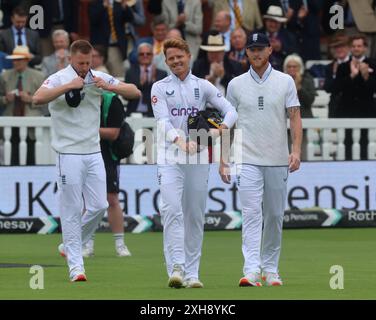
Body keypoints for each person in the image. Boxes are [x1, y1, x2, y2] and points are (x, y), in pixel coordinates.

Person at [32, 40, 141, 282]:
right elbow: (37, 98)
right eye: (80, 63)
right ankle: (76, 267)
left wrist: (110, 87)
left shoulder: (97, 77)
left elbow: (135, 91)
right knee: (70, 210)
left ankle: (69, 244)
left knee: (99, 206)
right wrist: (69, 85)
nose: (84, 67)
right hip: (68, 152)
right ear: (71, 59)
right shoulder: (60, 77)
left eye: (87, 62)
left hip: (93, 152)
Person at [151, 37, 237, 288]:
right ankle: (176, 268)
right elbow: (162, 121)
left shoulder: (203, 86)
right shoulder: (159, 87)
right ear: (166, 61)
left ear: (188, 56)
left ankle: (192, 273)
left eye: (180, 56)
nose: (176, 61)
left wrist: (221, 129)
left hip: (199, 156)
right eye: (171, 58)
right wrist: (179, 141)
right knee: (171, 210)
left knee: (195, 215)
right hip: (170, 155)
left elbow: (231, 111)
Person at [224, 32, 302, 287]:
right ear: (246, 52)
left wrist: (296, 151)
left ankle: (271, 269)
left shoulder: (285, 81)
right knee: (251, 214)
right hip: (246, 158)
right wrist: (224, 158)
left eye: (260, 48)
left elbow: (294, 117)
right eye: (251, 49)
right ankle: (252, 270)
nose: (256, 53)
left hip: (278, 158)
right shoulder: (235, 84)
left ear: (270, 50)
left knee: (275, 215)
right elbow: (228, 123)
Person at [83, 91, 131, 258]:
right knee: (87, 200)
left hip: (107, 155)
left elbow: (113, 133)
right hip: (85, 152)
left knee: (112, 199)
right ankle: (87, 244)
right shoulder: (80, 98)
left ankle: (120, 244)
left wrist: (87, 130)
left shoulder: (112, 101)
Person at [332, 34, 376, 160]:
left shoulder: (373, 64)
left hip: (367, 112)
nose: (356, 48)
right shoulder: (343, 66)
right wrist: (352, 75)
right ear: (350, 48)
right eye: (354, 46)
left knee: (365, 147)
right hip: (347, 112)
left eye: (359, 46)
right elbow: (335, 89)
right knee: (347, 147)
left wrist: (366, 75)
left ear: (365, 48)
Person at [0, 45, 46, 165]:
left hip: (31, 124)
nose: (16, 62)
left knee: (31, 159)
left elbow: (46, 101)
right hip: (11, 123)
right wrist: (5, 99)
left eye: (19, 59)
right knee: (11, 160)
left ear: (27, 60)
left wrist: (30, 99)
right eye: (14, 59)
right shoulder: (4, 76)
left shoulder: (39, 76)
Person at [125, 42, 167, 117]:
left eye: (148, 54)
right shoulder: (130, 73)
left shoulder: (162, 74)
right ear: (138, 56)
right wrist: (140, 84)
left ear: (152, 56)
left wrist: (153, 80)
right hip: (133, 112)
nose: (145, 56)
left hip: (154, 113)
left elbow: (163, 96)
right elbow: (126, 96)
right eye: (142, 54)